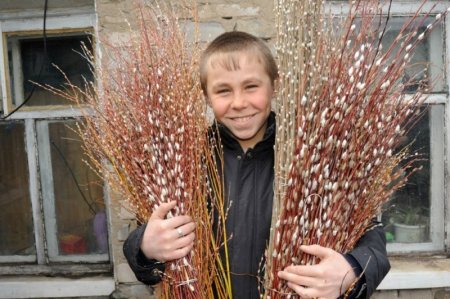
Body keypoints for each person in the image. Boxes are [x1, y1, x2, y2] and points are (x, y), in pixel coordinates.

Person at [123, 31, 390, 299]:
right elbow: (148, 246)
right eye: (223, 91)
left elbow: (371, 237)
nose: (239, 103)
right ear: (206, 96)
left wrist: (351, 269)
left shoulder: (314, 157)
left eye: (251, 87)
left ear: (275, 85)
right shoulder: (183, 163)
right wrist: (144, 247)